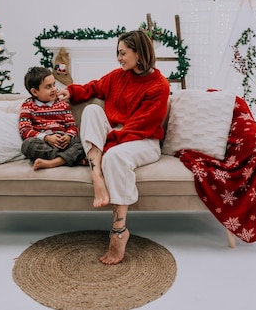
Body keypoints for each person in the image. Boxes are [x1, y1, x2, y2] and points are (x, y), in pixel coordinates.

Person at [57, 29, 170, 265]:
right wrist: (70, 91)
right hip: (117, 135)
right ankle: (96, 176)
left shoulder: (159, 85)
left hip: (144, 140)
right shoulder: (118, 76)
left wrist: (107, 143)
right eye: (117, 53)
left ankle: (119, 232)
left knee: (115, 157)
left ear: (139, 53)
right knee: (91, 110)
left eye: (122, 53)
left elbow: (142, 126)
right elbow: (95, 87)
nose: (118, 58)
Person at [19, 66, 86, 171]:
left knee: (82, 144)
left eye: (54, 84)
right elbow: (24, 130)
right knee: (27, 145)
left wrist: (68, 136)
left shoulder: (62, 104)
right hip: (44, 144)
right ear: (35, 92)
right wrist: (46, 138)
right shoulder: (28, 105)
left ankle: (53, 162)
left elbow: (72, 126)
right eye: (48, 87)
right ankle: (66, 159)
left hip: (64, 142)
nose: (54, 89)